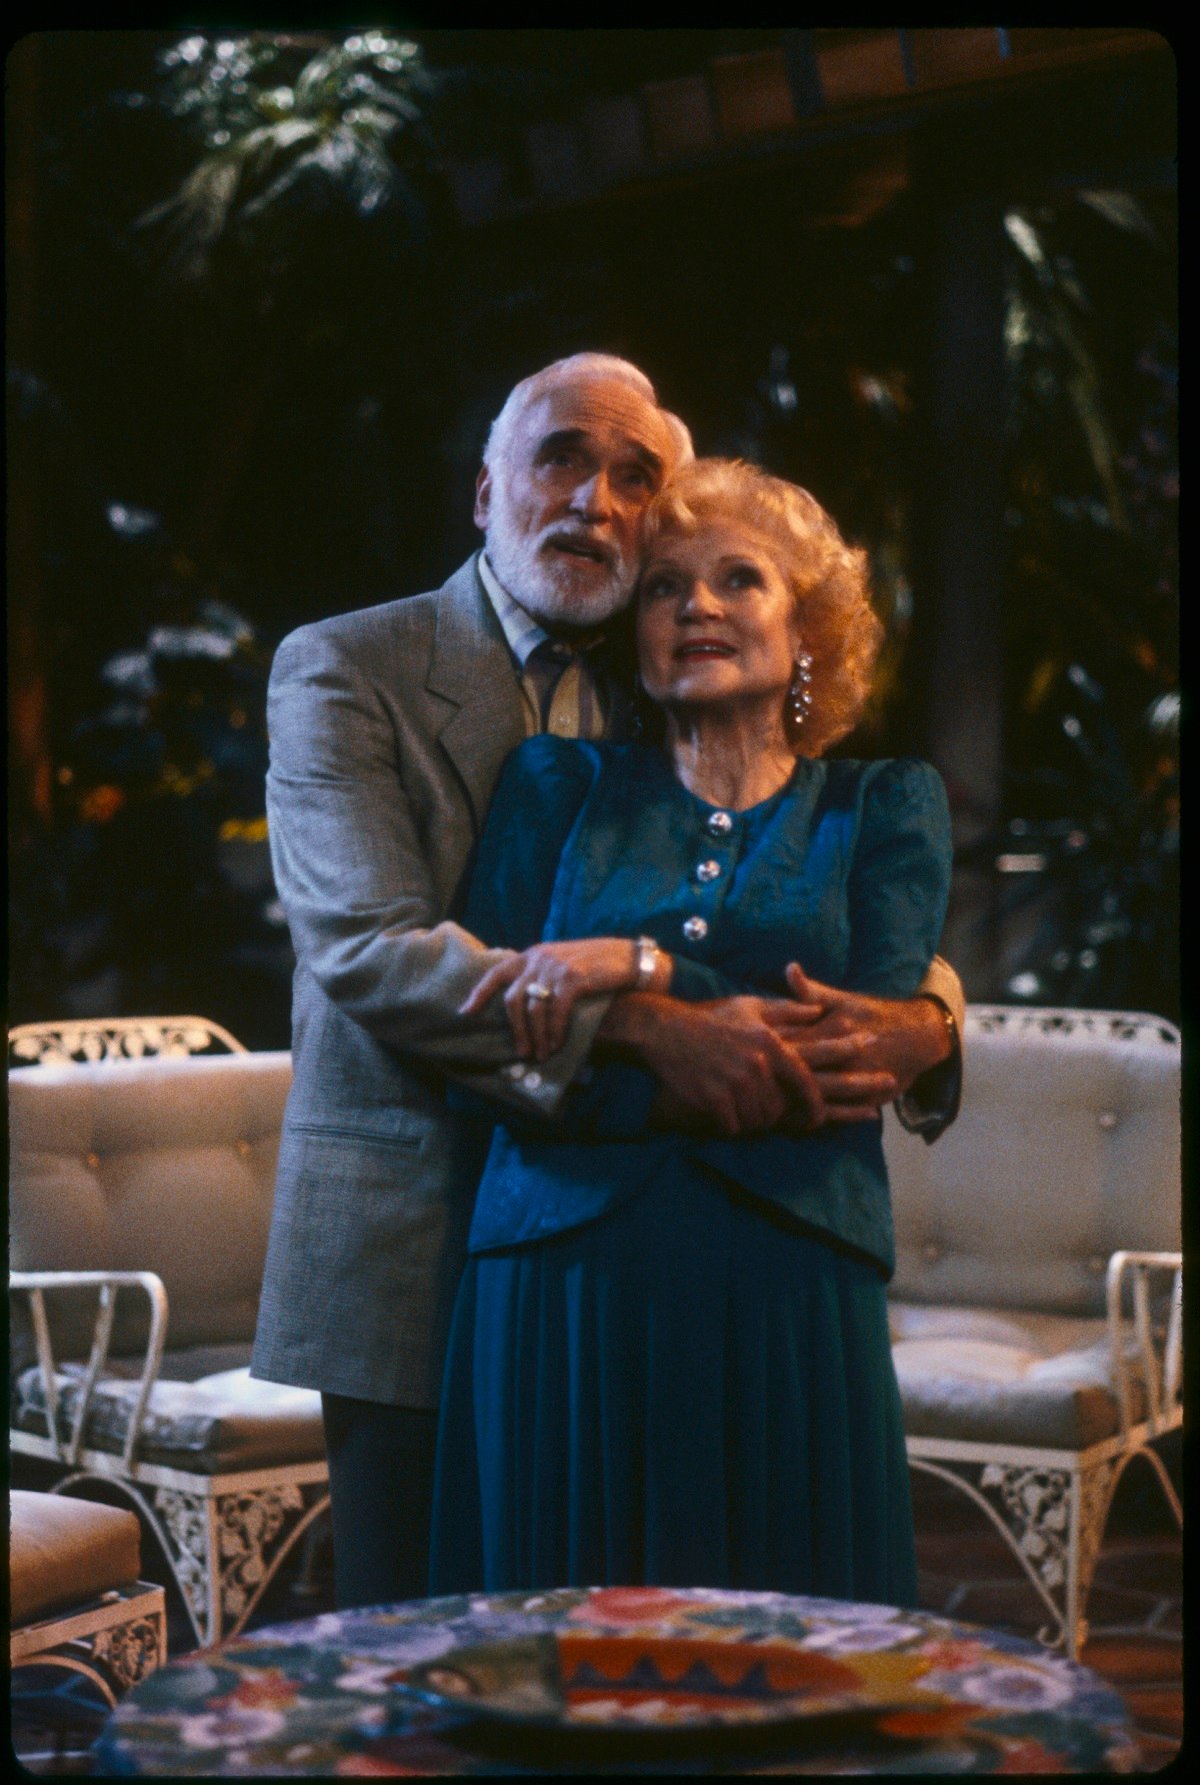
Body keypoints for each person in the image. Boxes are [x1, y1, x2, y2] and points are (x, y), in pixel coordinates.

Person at [251, 355, 963, 1608]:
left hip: (659, 1232)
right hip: (418, 1230)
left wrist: (931, 1016)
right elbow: (370, 947)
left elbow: (788, 895)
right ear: (486, 490)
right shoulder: (348, 665)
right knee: (417, 1652)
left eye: (636, 476)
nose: (594, 499)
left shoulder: (663, 692)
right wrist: (644, 1018)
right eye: (561, 458)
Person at [428, 458, 952, 1604]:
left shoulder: (884, 809)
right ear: (638, 633)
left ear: (805, 629)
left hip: (787, 1277)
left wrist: (632, 977)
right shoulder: (553, 786)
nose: (698, 607)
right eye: (665, 588)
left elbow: (844, 1061)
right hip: (559, 1271)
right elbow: (477, 1047)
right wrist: (679, 1037)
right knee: (552, 1646)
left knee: (796, 1658)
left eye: (739, 580)